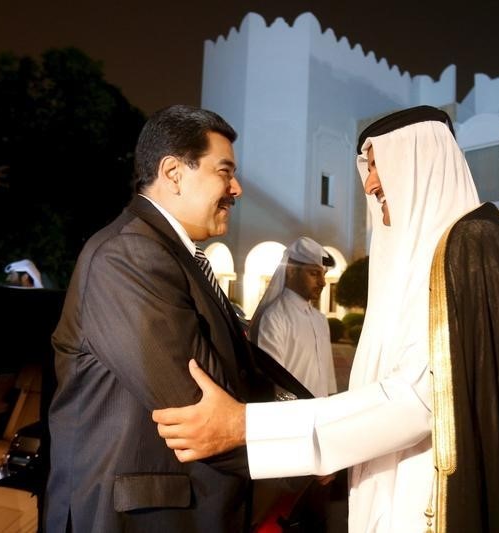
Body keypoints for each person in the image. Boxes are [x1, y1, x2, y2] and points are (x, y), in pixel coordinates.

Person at [153, 105, 499, 532]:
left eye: (378, 165)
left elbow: (420, 399)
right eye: (367, 167)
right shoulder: (424, 260)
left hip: (439, 497)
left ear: (419, 163)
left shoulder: (474, 244)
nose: (370, 183)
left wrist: (248, 427)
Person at [45, 104, 310, 532]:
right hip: (138, 518)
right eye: (224, 171)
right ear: (173, 173)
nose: (237, 188)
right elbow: (196, 406)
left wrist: (318, 423)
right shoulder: (128, 253)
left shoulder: (172, 254)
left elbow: (246, 368)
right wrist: (308, 453)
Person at [249, 237, 337, 398]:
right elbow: (274, 382)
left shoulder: (320, 319)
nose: (323, 282)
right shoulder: (274, 318)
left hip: (322, 415)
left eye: (323, 274)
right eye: (314, 273)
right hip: (292, 416)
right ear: (291, 271)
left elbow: (328, 379)